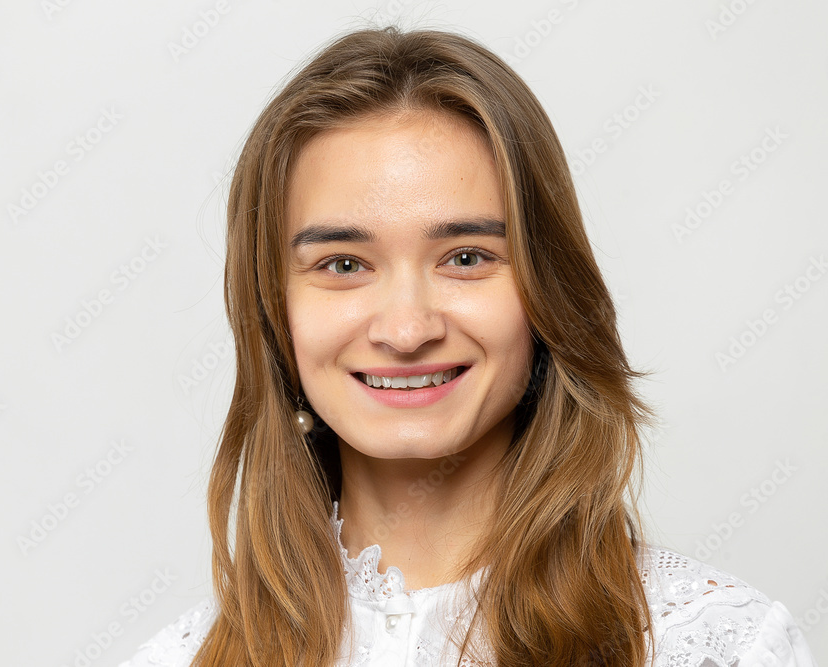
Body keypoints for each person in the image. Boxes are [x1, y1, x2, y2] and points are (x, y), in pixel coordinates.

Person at [120, 25, 817, 666]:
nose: (406, 328)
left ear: (548, 292)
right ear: (274, 313)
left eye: (465, 257)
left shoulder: (716, 644)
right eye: (343, 264)